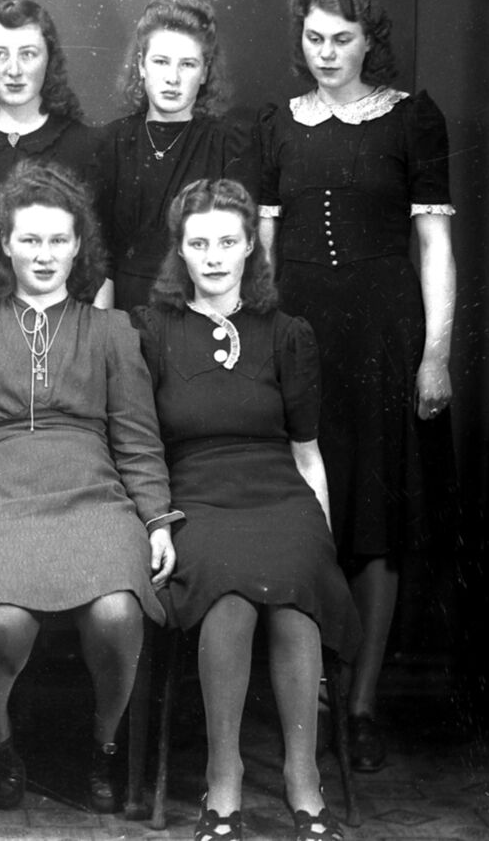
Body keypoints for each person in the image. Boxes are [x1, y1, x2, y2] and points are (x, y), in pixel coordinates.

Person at [253, 0, 456, 773]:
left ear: (370, 40)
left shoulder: (411, 118)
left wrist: (435, 353)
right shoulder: (278, 124)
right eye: (315, 38)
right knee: (311, 520)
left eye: (342, 38)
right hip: (300, 337)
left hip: (383, 339)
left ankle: (362, 705)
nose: (327, 53)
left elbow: (433, 245)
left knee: (376, 527)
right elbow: (264, 251)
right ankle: (312, 701)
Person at [132, 178, 360, 841]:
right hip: (196, 495)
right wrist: (157, 519)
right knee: (227, 594)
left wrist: (320, 537)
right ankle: (223, 775)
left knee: (296, 589)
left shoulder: (287, 334)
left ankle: (303, 778)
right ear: (179, 249)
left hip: (279, 493)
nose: (213, 256)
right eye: (199, 243)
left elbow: (307, 454)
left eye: (227, 242)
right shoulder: (152, 331)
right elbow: (142, 444)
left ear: (249, 248)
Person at [0, 160, 178, 813]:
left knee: (117, 614)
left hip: (94, 496)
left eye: (58, 239)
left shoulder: (112, 331)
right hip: (0, 498)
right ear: (4, 244)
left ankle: (103, 745)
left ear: (79, 246)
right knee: (3, 622)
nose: (44, 254)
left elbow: (137, 440)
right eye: (30, 239)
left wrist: (158, 520)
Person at [0, 0, 111, 306]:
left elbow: (101, 263)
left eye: (28, 54)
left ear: (49, 60)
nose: (13, 70)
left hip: (66, 327)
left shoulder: (88, 145)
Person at [99, 0, 244, 311]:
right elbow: (100, 256)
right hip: (124, 309)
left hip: (199, 308)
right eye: (161, 61)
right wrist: (106, 331)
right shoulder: (111, 142)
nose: (172, 78)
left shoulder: (227, 144)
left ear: (205, 72)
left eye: (188, 64)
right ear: (141, 65)